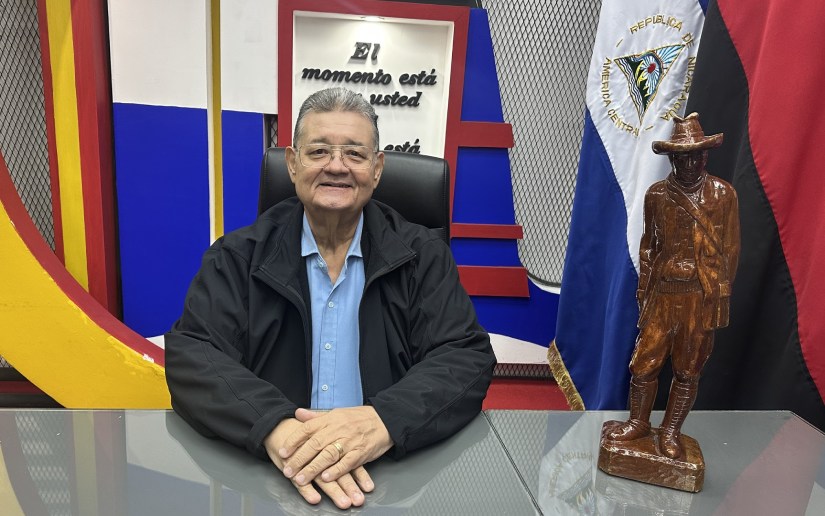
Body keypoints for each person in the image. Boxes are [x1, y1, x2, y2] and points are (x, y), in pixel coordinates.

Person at [165, 87, 495, 509]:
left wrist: (384, 420)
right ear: (292, 163)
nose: (337, 166)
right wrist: (277, 428)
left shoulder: (422, 255)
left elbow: (464, 357)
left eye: (354, 154)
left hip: (387, 479)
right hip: (273, 479)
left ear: (377, 169)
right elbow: (193, 355)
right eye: (319, 151)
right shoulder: (237, 257)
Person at [606, 113, 739, 459]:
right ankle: (638, 423)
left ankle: (670, 431)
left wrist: (719, 296)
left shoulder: (723, 195)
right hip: (663, 295)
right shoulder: (657, 195)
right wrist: (643, 291)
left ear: (705, 155)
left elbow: (731, 250)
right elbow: (649, 247)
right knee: (643, 364)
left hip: (699, 296)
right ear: (672, 158)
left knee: (688, 369)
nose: (689, 164)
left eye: (696, 156)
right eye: (682, 157)